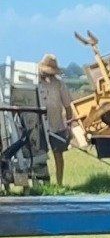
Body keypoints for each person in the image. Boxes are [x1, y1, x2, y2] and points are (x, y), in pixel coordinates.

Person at [36, 54, 73, 186]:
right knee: (38, 156)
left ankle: (59, 183)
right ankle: (44, 183)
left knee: (58, 155)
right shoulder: (35, 83)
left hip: (57, 125)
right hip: (39, 126)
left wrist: (69, 126)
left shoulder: (59, 84)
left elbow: (68, 107)